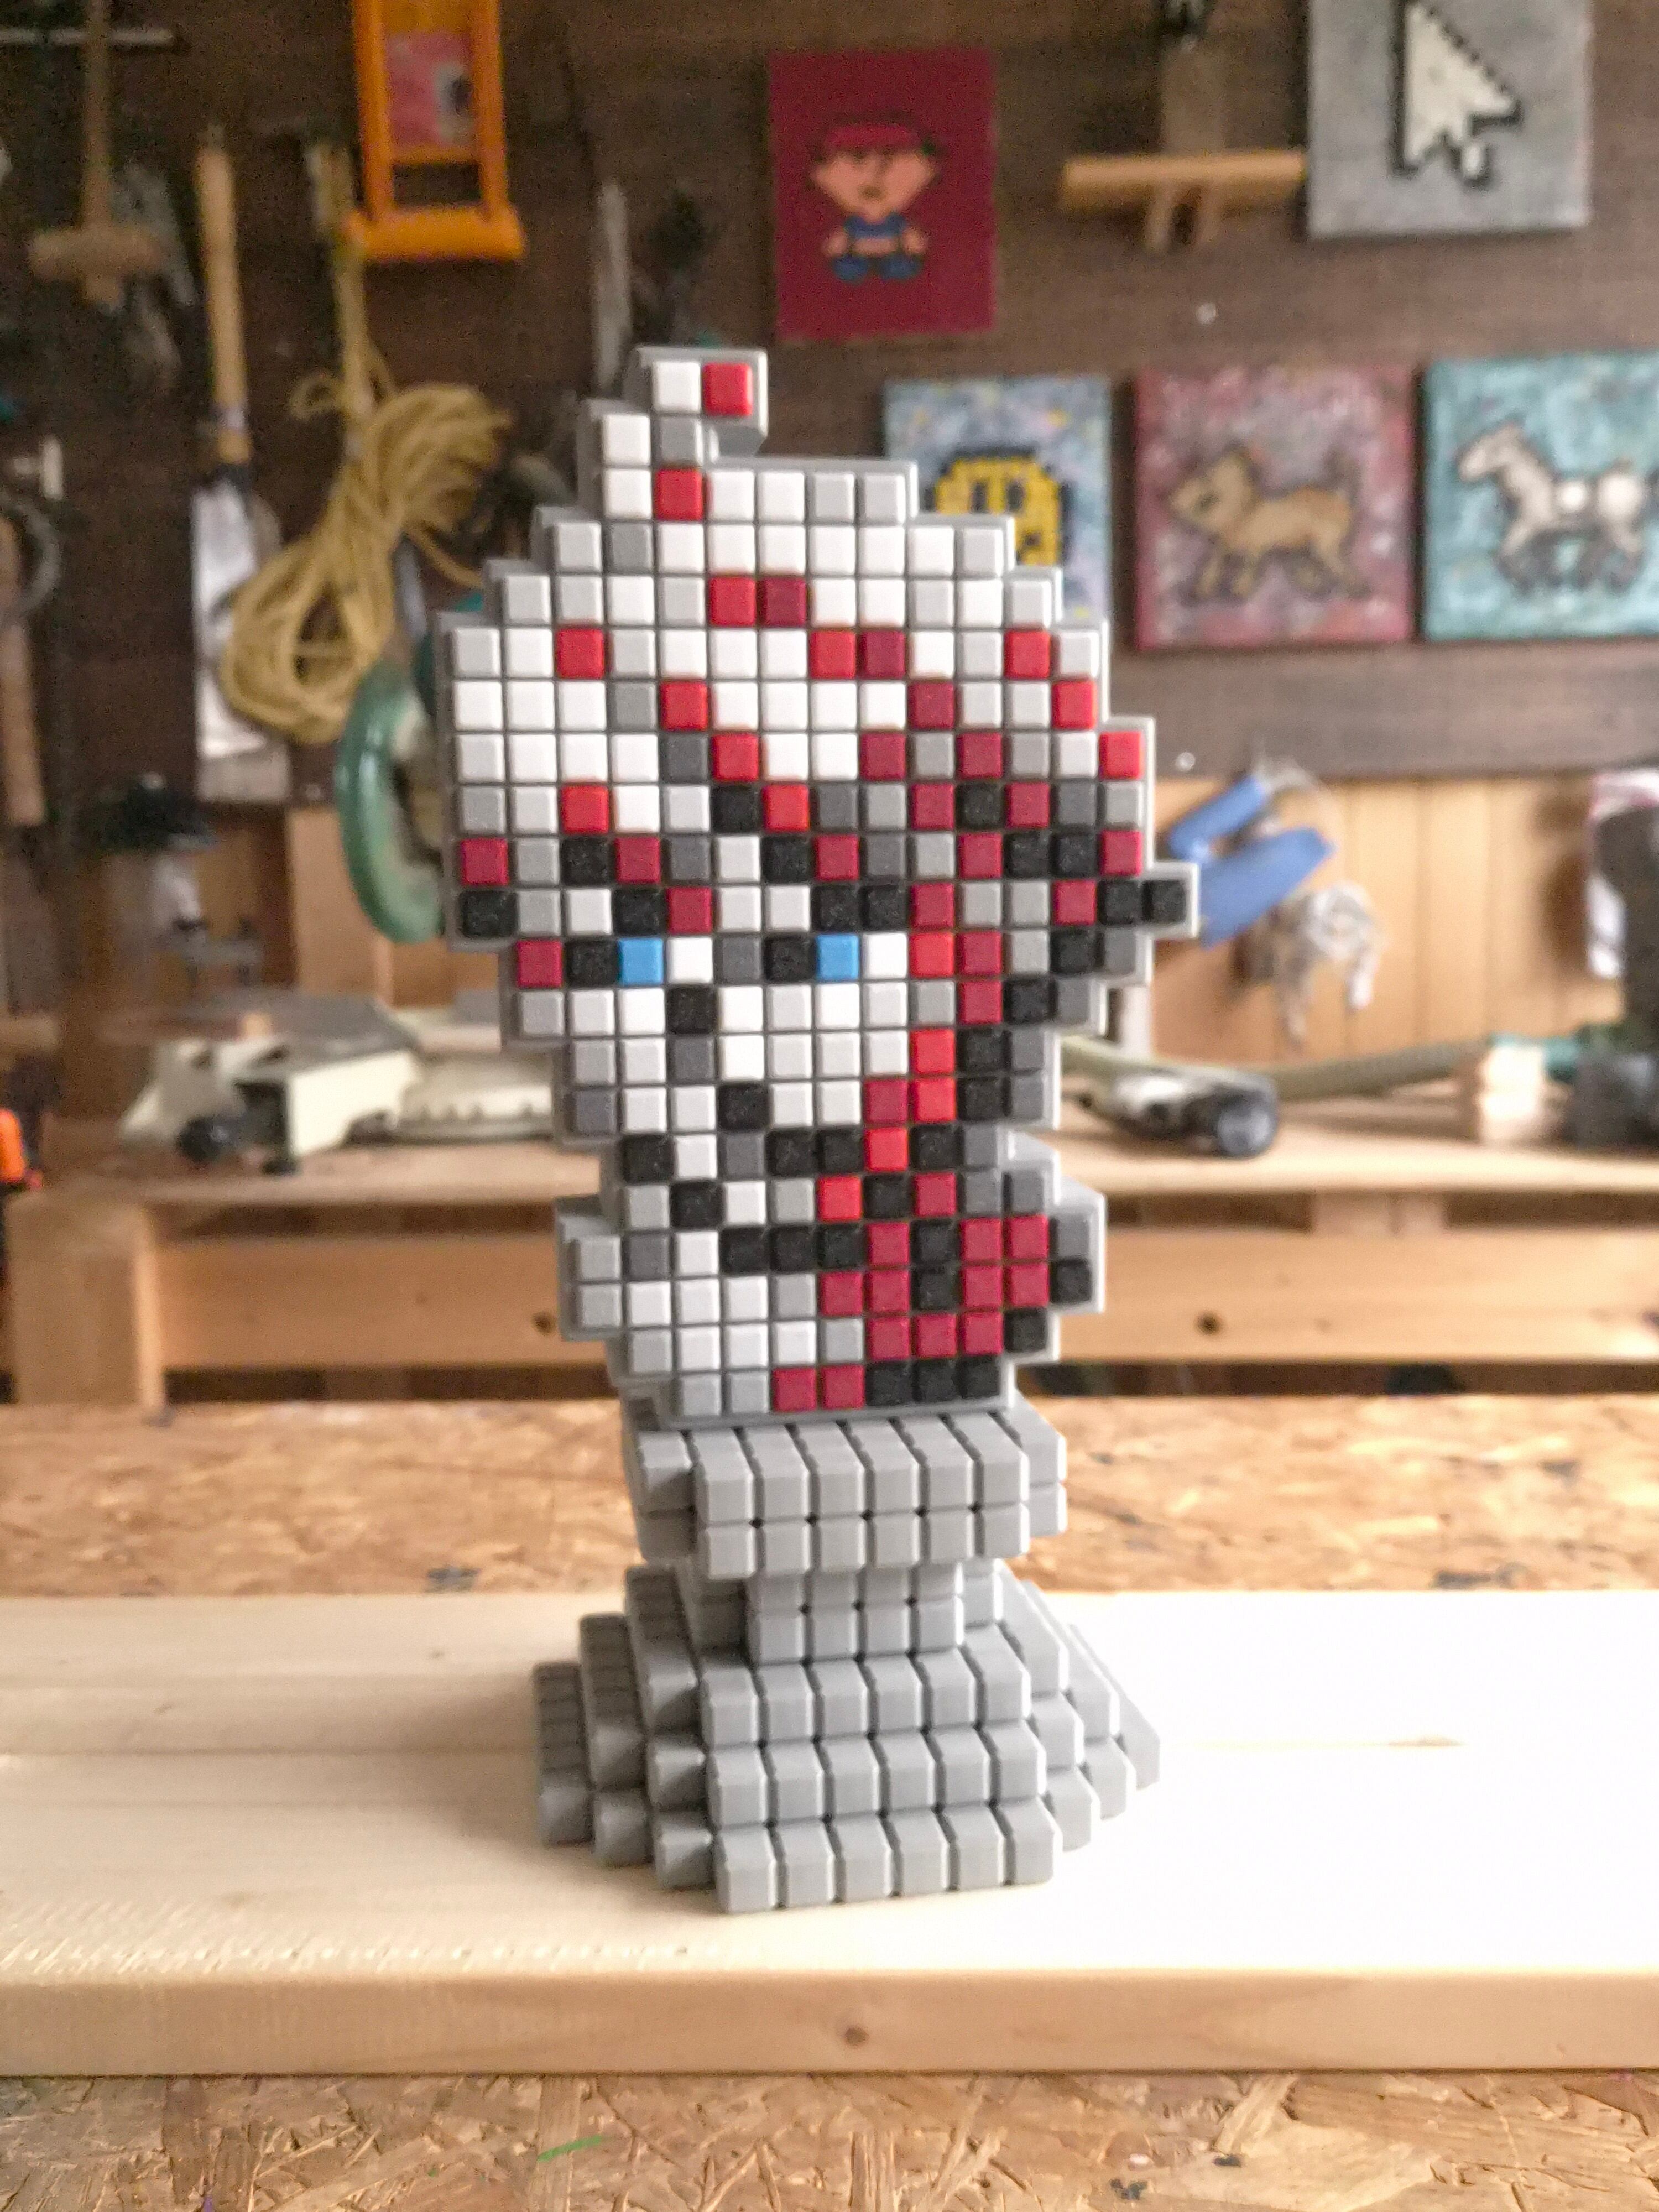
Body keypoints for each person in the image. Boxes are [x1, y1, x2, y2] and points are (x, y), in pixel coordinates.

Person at [810, 117, 938, 282]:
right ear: (821, 175)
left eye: (888, 158)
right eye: (858, 157)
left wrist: (914, 245)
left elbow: (914, 241)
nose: (873, 174)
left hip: (894, 255)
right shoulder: (853, 225)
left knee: (902, 266)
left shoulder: (896, 224)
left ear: (927, 171)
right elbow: (837, 243)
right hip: (857, 256)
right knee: (848, 267)